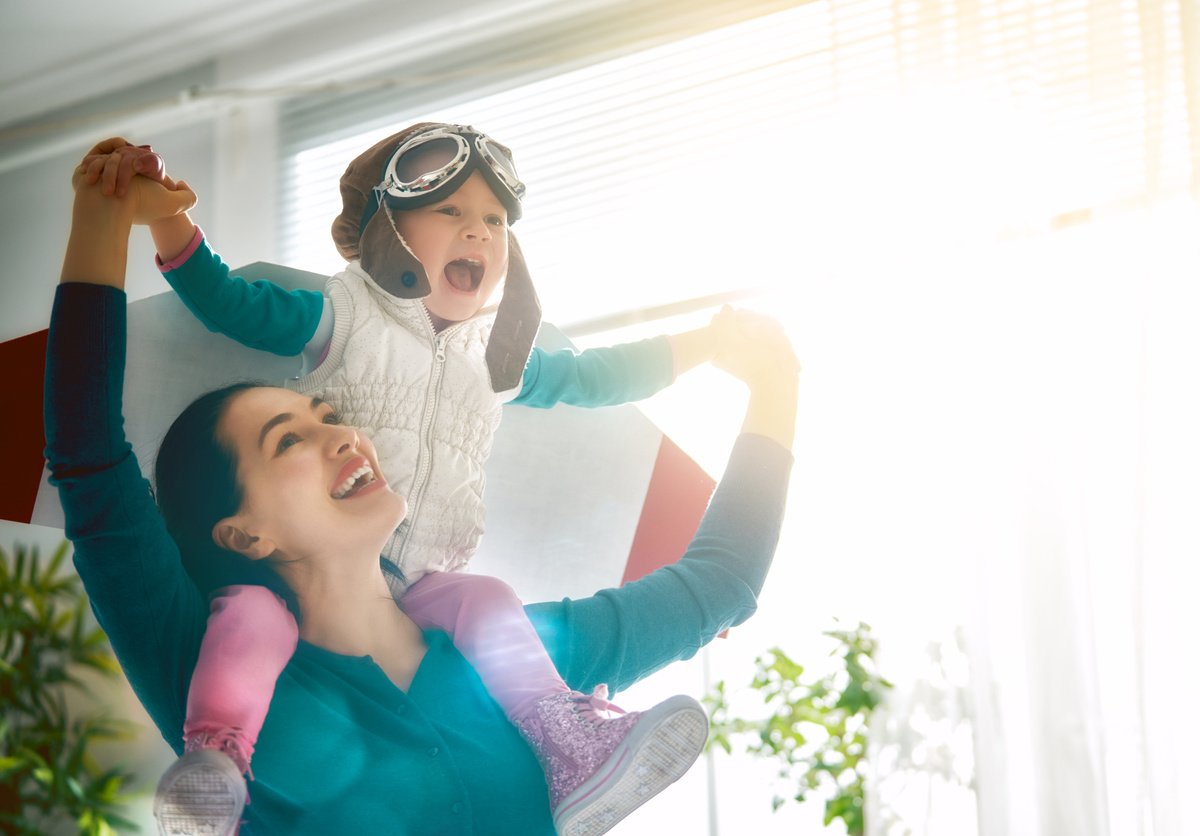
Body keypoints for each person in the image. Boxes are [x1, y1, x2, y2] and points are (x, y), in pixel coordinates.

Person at [55, 145, 799, 834]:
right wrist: (105, 208)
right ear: (243, 532)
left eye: (332, 415)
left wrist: (775, 386)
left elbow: (723, 581)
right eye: (288, 441)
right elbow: (89, 457)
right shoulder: (201, 669)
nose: (343, 437)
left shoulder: (525, 664)